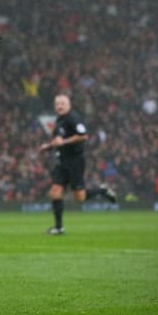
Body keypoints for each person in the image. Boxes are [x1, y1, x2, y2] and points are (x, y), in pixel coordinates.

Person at [39, 94, 117, 235]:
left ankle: (102, 191)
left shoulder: (73, 118)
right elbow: (59, 141)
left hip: (75, 162)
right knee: (55, 192)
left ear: (69, 105)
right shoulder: (59, 120)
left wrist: (64, 142)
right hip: (62, 161)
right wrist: (48, 146)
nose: (59, 106)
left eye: (62, 103)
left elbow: (83, 136)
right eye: (57, 103)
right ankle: (58, 227)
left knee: (79, 198)